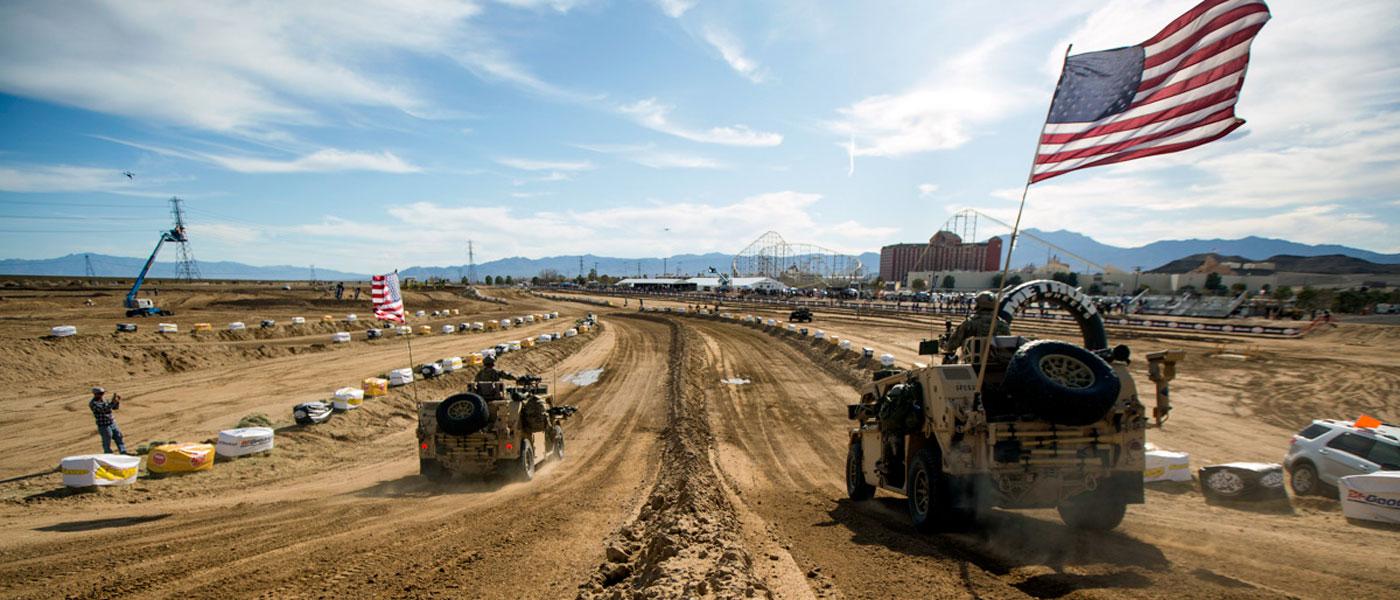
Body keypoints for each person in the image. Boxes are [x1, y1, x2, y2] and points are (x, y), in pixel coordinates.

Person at [944, 291, 1010, 354]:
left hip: (972, 362)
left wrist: (943, 343)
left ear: (979, 304)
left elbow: (951, 346)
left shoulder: (969, 323)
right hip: (997, 363)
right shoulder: (1003, 324)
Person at [89, 387, 128, 455]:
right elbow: (104, 410)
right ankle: (108, 455)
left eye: (103, 393)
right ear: (95, 394)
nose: (102, 395)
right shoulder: (93, 403)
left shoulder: (104, 400)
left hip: (112, 423)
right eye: (101, 393)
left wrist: (117, 402)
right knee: (107, 441)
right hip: (104, 425)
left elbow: (114, 408)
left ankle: (123, 452)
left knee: (119, 437)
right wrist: (113, 402)